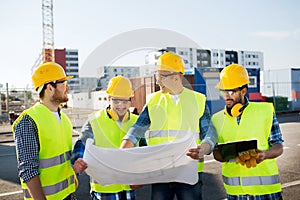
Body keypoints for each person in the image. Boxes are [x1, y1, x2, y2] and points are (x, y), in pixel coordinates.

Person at [121, 52, 217, 200]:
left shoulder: (197, 100)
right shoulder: (153, 101)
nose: (157, 81)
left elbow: (210, 133)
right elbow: (137, 130)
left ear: (176, 77)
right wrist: (123, 151)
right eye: (156, 76)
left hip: (189, 172)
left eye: (162, 76)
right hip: (162, 172)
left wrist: (204, 148)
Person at [211, 64, 284, 199]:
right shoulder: (216, 119)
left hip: (266, 193)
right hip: (235, 194)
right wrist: (228, 154)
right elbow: (216, 153)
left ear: (243, 91)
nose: (226, 96)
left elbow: (278, 145)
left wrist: (265, 154)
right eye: (223, 91)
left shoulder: (265, 112)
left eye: (231, 91)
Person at [12, 62, 81, 200]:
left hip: (69, 196)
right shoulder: (28, 121)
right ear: (50, 87)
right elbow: (28, 170)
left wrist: (75, 164)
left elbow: (61, 159)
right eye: (63, 83)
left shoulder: (64, 119)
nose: (67, 88)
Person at [71, 76, 139, 200]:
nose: (121, 106)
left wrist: (141, 176)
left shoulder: (136, 122)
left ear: (130, 100)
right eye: (116, 101)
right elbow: (82, 143)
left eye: (125, 101)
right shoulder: (95, 120)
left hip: (129, 188)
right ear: (108, 99)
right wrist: (78, 158)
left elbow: (144, 151)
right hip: (105, 190)